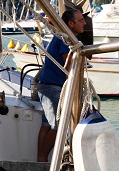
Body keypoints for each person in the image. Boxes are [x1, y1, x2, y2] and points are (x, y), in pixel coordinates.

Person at [36, 9, 86, 162]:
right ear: (71, 24)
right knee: (57, 126)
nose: (84, 23)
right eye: (81, 20)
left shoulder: (61, 37)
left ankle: (40, 160)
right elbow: (68, 68)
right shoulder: (66, 39)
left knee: (46, 124)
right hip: (53, 87)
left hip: (46, 85)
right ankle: (42, 160)